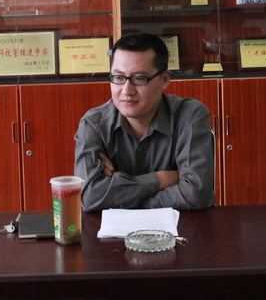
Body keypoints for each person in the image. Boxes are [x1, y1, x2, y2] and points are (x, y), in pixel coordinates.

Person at [74, 33, 214, 211]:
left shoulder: (190, 116)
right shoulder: (94, 124)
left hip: (180, 227)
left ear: (164, 80)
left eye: (139, 79)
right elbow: (90, 196)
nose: (127, 90)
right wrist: (161, 179)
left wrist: (119, 195)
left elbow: (196, 194)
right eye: (118, 77)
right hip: (112, 229)